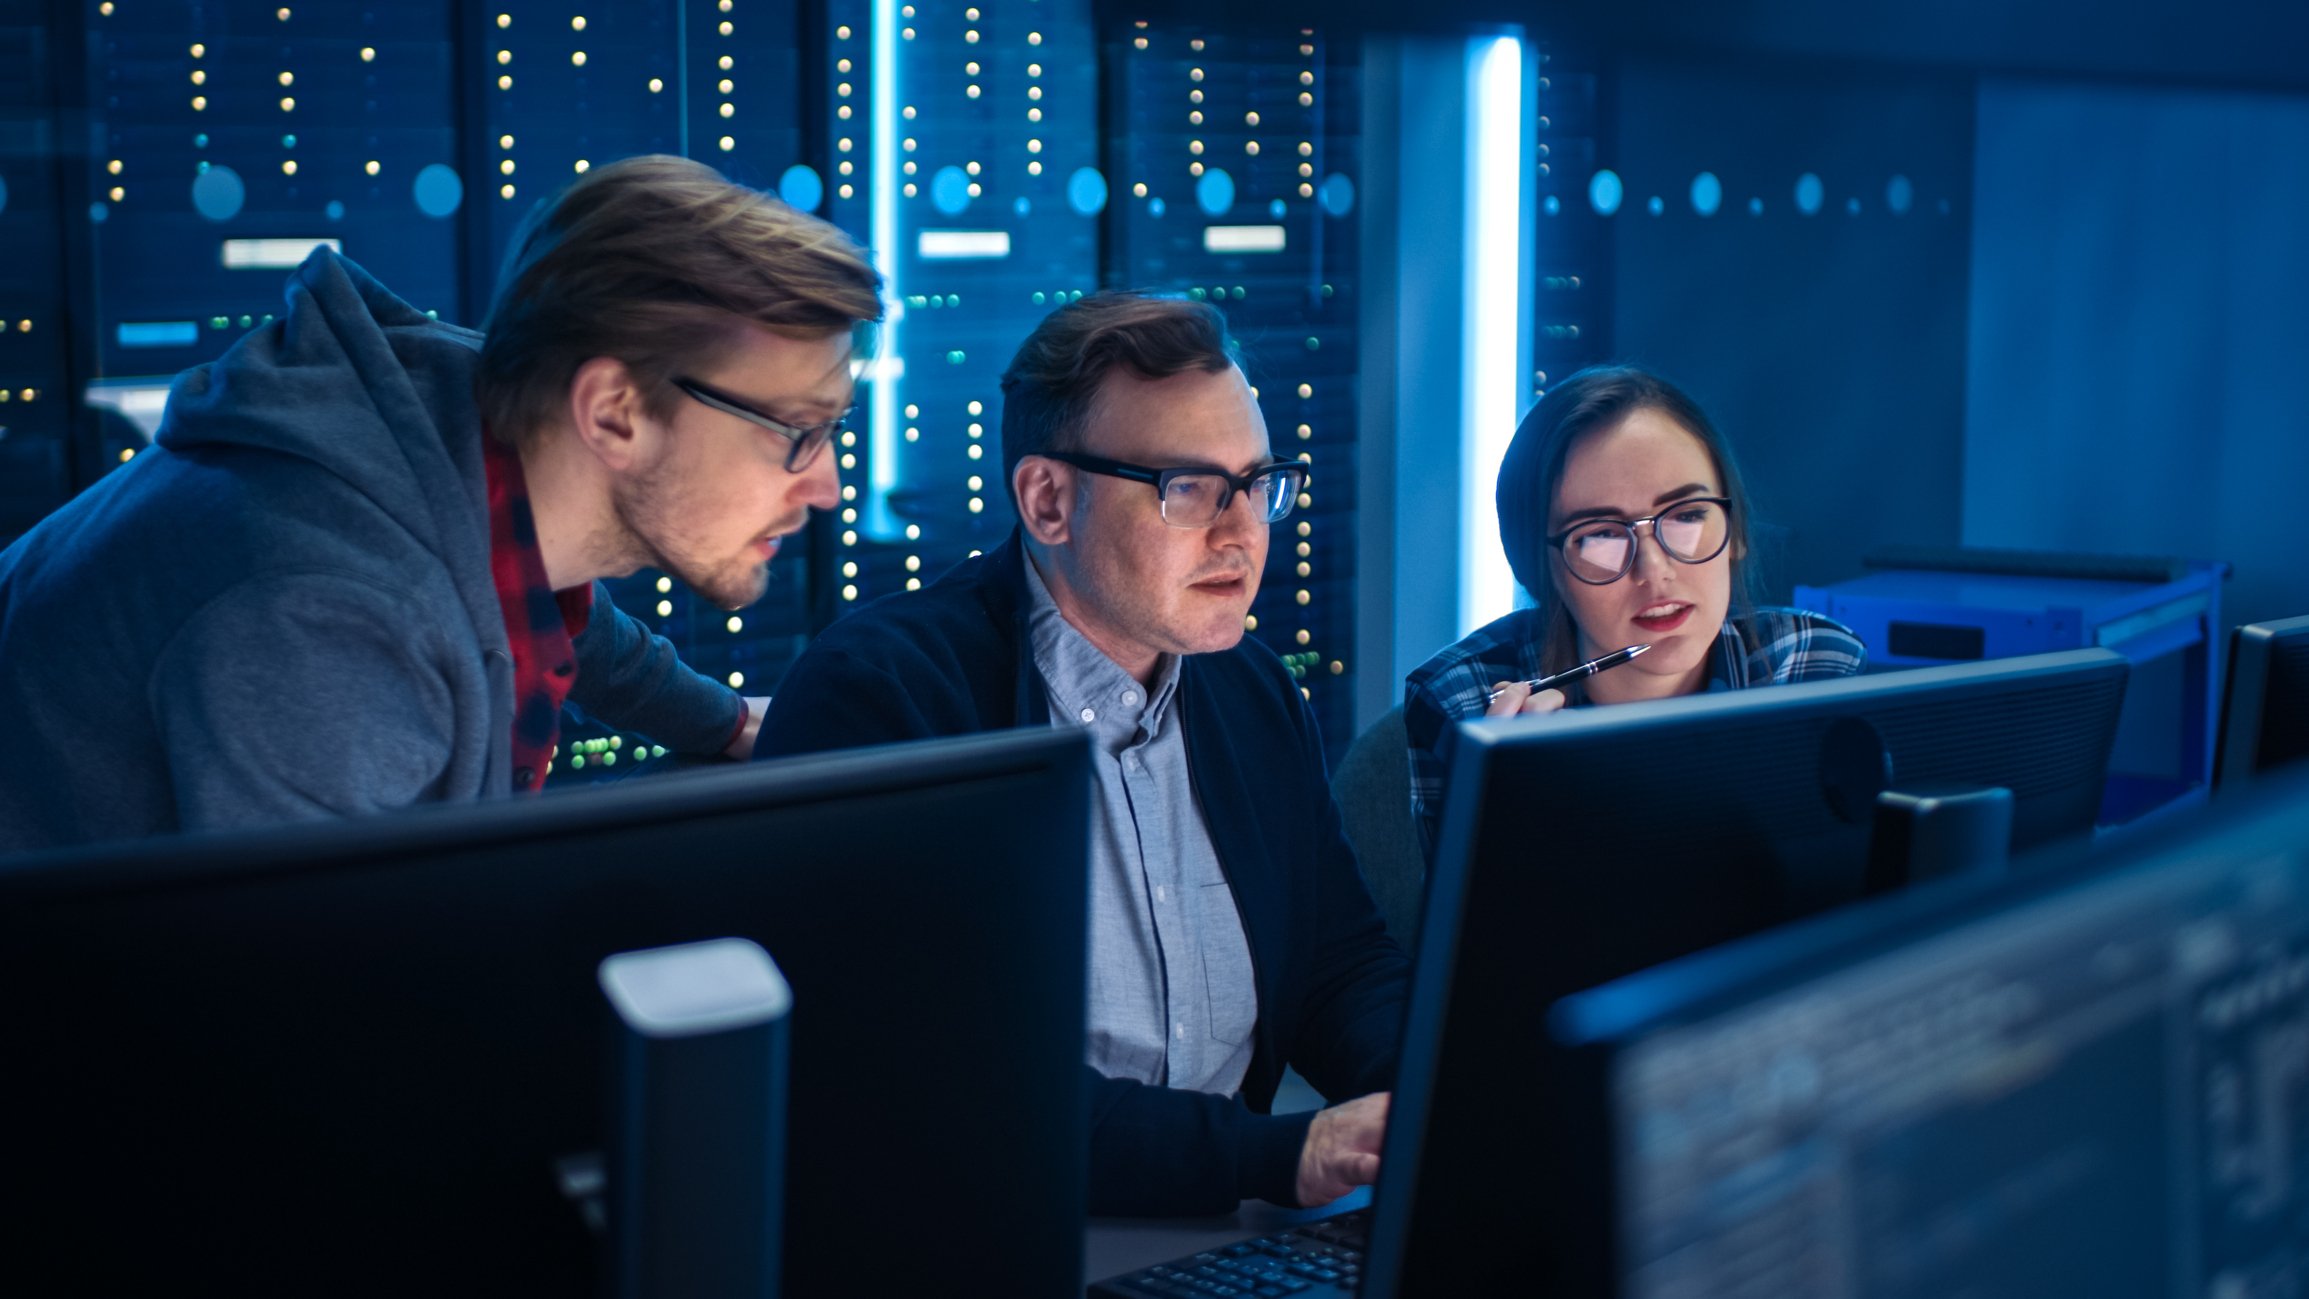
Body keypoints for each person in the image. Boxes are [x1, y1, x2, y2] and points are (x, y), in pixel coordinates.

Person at [0, 155, 881, 854]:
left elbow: (570, 621)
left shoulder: (458, 442)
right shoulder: (327, 618)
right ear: (613, 412)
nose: (829, 485)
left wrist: (722, 721)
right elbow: (308, 1005)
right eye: (796, 431)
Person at [756, 293, 1407, 1216]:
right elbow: (937, 1082)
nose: (1242, 531)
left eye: (1257, 482)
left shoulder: (1252, 691)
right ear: (1048, 500)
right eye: (1189, 488)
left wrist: (1428, 1089)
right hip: (982, 1240)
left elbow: (1337, 964)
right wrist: (1276, 1155)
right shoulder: (884, 699)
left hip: (1217, 1230)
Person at [1404, 364, 1867, 854]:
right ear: (1541, 571)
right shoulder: (1463, 704)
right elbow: (1478, 929)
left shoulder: (1815, 666)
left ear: (1736, 533)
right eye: (1601, 535)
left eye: (1688, 516)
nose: (1655, 571)